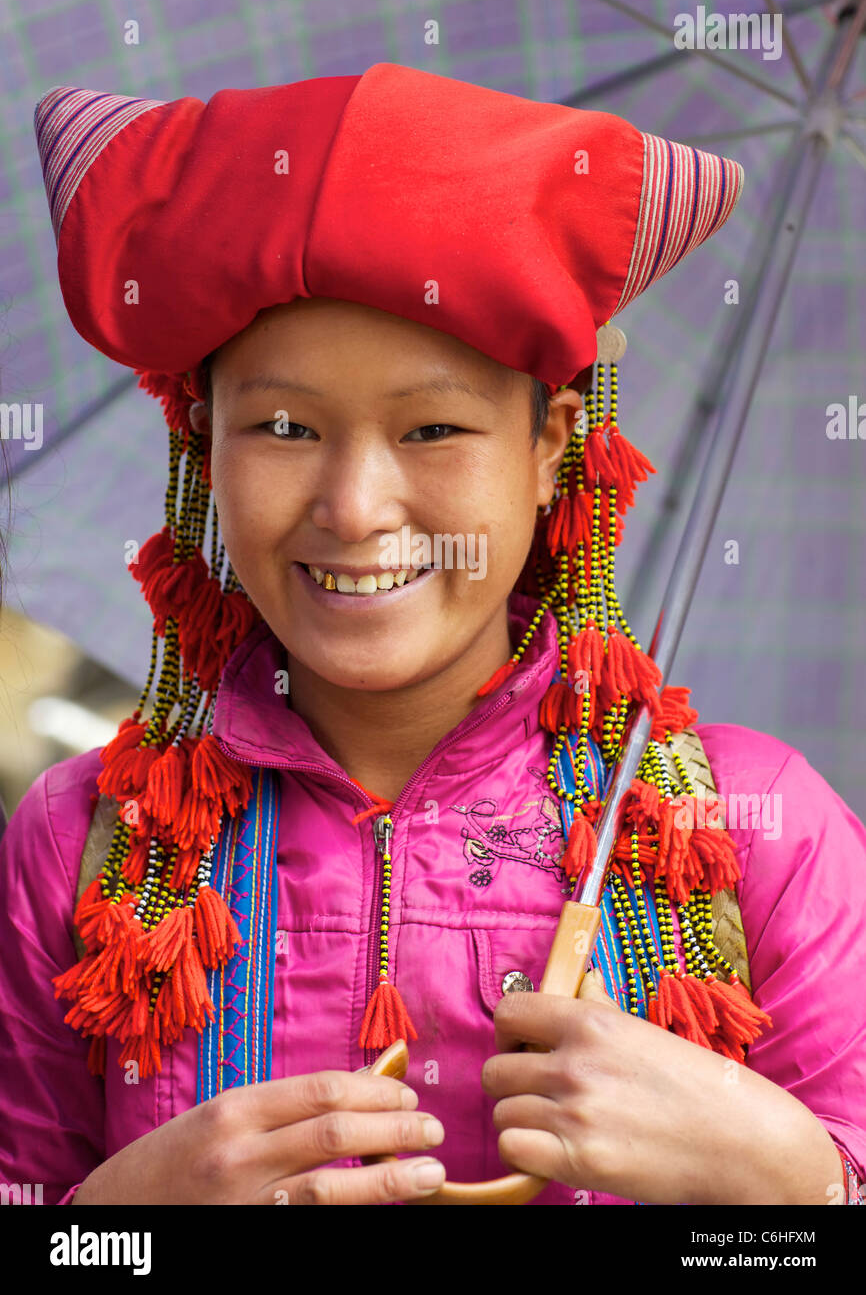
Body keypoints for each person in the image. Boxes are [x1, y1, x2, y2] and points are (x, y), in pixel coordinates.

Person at [0, 63, 863, 1207]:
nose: (354, 507)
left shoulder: (755, 834)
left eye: (434, 427)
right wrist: (115, 1227)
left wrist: (791, 1185)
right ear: (204, 441)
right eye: (284, 425)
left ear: (551, 442)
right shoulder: (81, 846)